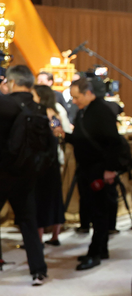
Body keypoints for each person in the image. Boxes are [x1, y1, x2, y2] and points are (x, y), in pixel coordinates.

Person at [53, 77, 121, 270]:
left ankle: (96, 252)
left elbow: (113, 142)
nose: (74, 101)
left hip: (98, 169)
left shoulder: (101, 111)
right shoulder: (85, 111)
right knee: (94, 209)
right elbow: (83, 139)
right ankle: (100, 249)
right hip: (87, 168)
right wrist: (65, 135)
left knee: (99, 212)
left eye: (77, 97)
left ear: (88, 93)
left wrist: (110, 169)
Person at [0, 65, 48, 286]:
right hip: (27, 174)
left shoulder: (4, 104)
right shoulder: (39, 108)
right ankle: (38, 270)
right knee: (29, 222)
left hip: (2, 172)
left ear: (11, 82)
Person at [32, 85, 70, 246]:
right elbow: (59, 133)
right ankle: (55, 235)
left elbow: (56, 133)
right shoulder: (54, 114)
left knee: (39, 199)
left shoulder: (43, 114)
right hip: (53, 161)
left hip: (42, 161)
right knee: (55, 198)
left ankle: (38, 238)